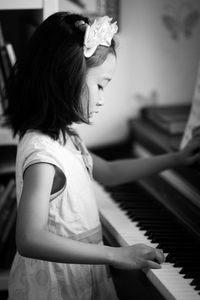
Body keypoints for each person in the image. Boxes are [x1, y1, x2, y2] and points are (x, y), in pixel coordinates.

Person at [4, 11, 200, 300]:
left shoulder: (65, 136)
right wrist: (114, 254)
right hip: (55, 286)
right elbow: (29, 238)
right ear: (66, 78)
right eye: (100, 85)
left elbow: (107, 171)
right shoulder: (43, 156)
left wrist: (175, 159)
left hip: (79, 275)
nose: (102, 98)